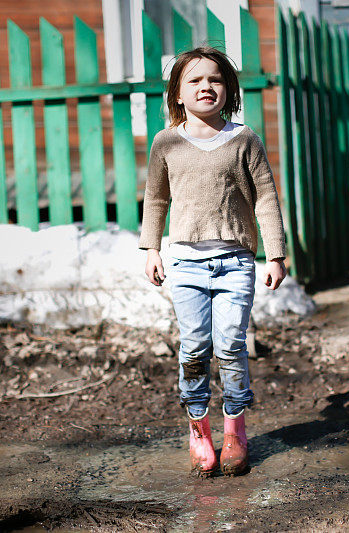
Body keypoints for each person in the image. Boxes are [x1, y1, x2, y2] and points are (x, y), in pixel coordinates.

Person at [139, 46, 287, 477]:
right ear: (178, 94)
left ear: (229, 90)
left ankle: (234, 430)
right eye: (195, 81)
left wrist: (274, 253)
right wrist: (151, 248)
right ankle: (198, 429)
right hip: (185, 264)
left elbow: (265, 198)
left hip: (236, 262)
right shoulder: (165, 141)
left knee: (230, 346)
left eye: (216, 80)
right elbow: (156, 196)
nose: (207, 87)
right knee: (194, 348)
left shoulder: (244, 140)